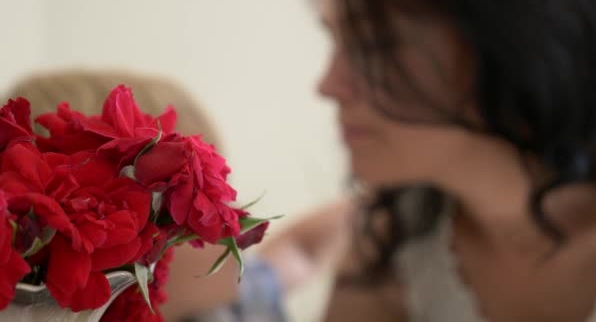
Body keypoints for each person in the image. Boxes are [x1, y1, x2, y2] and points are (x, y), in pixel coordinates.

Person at [313, 0, 596, 321]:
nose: (327, 85)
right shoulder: (393, 237)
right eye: (335, 42)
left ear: (509, 37)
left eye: (373, 43)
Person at [5, 69, 350, 321]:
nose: (233, 222)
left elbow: (301, 250)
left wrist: (369, 204)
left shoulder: (229, 303)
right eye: (193, 213)